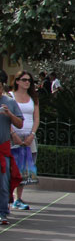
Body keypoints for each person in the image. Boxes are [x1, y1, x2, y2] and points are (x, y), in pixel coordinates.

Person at [10, 71, 39, 210]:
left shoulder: (33, 98)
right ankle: (8, 196)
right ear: (17, 81)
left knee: (25, 168)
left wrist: (32, 134)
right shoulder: (10, 97)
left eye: (29, 80)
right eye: (24, 79)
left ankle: (18, 198)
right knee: (11, 167)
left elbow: (36, 119)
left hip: (28, 136)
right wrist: (13, 134)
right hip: (13, 136)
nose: (27, 82)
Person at [0, 70, 25, 226]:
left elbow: (20, 124)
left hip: (2, 148)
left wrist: (9, 114)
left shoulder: (9, 102)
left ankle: (2, 212)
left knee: (3, 183)